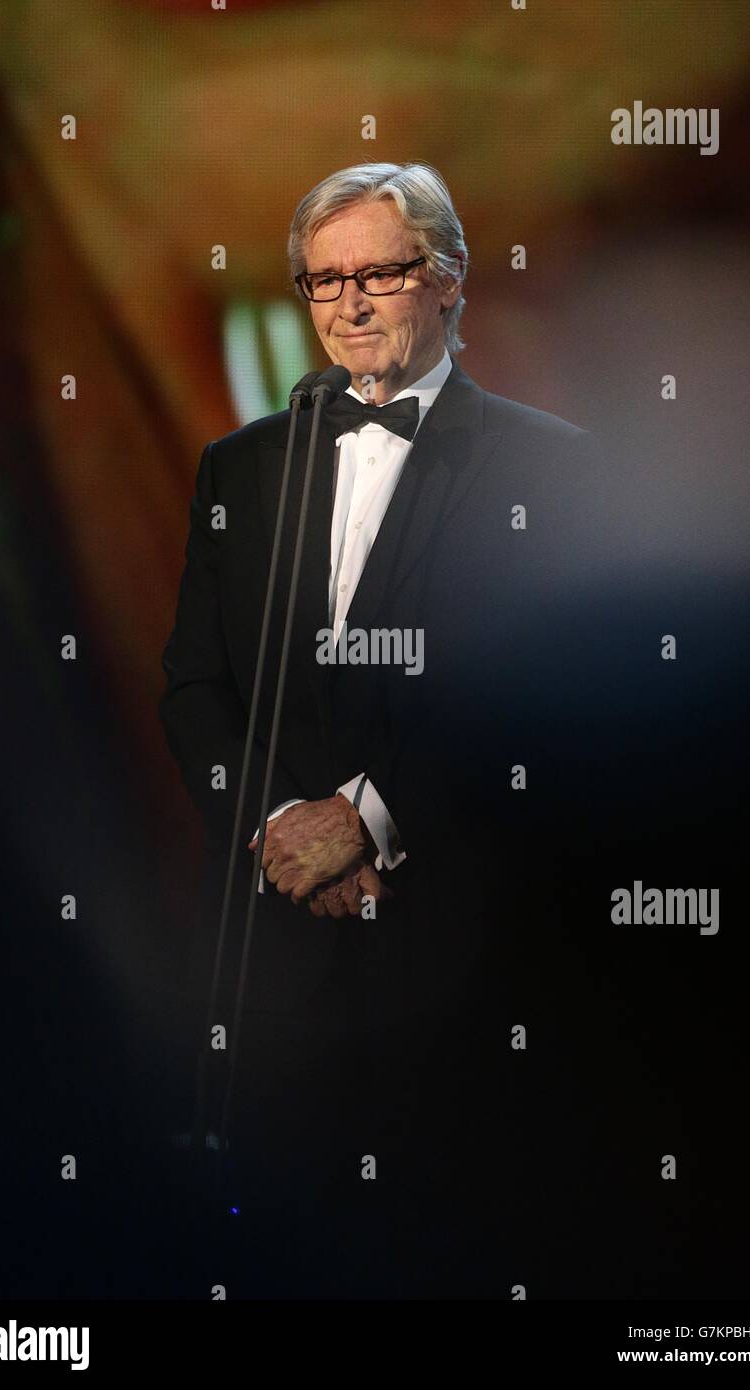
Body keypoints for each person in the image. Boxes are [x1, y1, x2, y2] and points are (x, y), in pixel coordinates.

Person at [160, 162, 615, 1296]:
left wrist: (364, 822)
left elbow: (540, 702)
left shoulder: (551, 467)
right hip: (274, 973)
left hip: (467, 970)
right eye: (323, 282)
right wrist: (276, 826)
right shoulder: (241, 464)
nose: (349, 305)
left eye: (379, 273)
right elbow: (193, 688)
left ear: (449, 282)